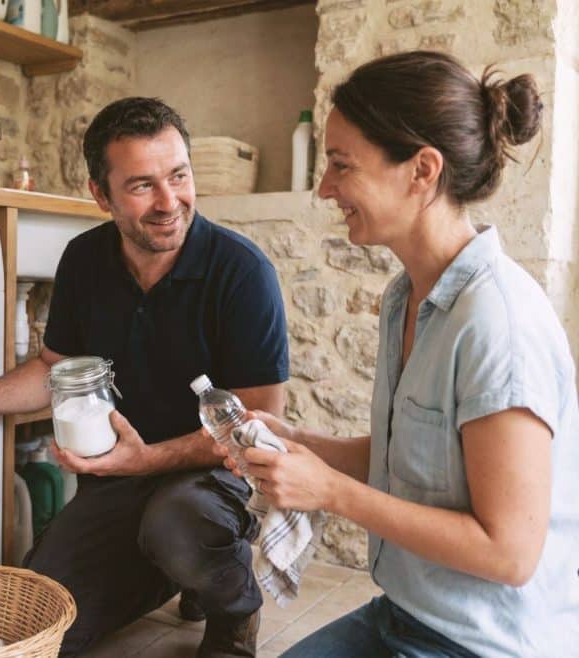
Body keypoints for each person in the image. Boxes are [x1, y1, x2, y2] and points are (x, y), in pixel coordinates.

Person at [0, 97, 289, 657]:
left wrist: (147, 459)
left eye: (178, 176)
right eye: (142, 185)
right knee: (45, 623)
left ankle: (232, 605)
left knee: (178, 523)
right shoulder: (84, 260)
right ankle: (181, 567)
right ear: (100, 195)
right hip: (119, 482)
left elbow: (257, 425)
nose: (169, 201)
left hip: (213, 478)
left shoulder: (242, 273)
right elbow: (54, 370)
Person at [219, 51, 578, 658]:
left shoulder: (497, 324)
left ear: (422, 171)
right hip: (408, 614)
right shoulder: (405, 299)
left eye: (341, 165)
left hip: (485, 644)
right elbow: (410, 461)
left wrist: (328, 490)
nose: (325, 187)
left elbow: (509, 553)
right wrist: (296, 441)